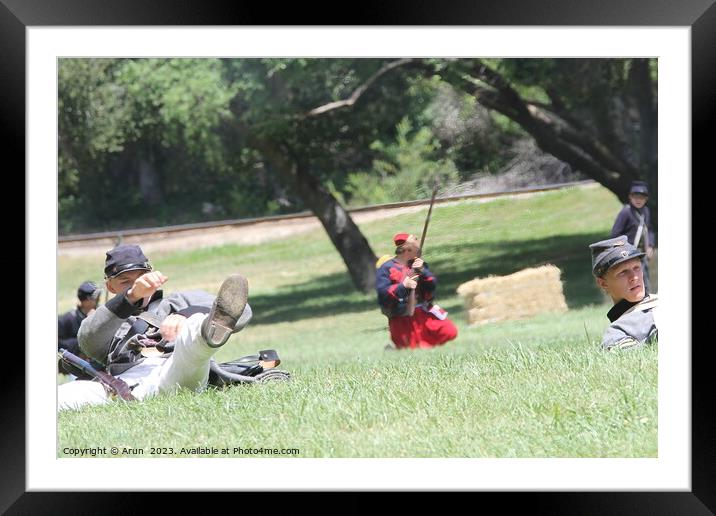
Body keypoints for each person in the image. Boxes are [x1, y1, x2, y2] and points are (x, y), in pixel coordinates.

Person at [58, 244, 254, 411]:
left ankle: (203, 335)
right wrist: (131, 296)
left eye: (141, 277)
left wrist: (184, 315)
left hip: (175, 369)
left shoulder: (178, 301)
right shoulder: (108, 317)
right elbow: (88, 340)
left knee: (193, 330)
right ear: (110, 287)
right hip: (119, 385)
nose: (136, 284)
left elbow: (241, 310)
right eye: (125, 281)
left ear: (152, 275)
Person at [375, 233, 458, 349]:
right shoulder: (386, 268)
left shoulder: (418, 264)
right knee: (412, 347)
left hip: (423, 311)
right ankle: (394, 349)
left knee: (449, 332)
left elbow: (432, 285)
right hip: (402, 317)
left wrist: (422, 271)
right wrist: (403, 286)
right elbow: (383, 294)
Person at [589, 235, 658, 351]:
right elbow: (630, 355)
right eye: (623, 272)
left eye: (636, 268)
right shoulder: (618, 331)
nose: (634, 277)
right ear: (603, 283)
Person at [610, 180, 656, 293]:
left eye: (642, 197)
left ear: (646, 199)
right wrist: (622, 251)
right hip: (628, 253)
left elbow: (649, 229)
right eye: (636, 197)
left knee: (644, 278)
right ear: (630, 197)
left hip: (641, 252)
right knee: (634, 279)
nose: (639, 200)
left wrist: (650, 245)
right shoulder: (625, 212)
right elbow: (615, 234)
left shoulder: (646, 211)